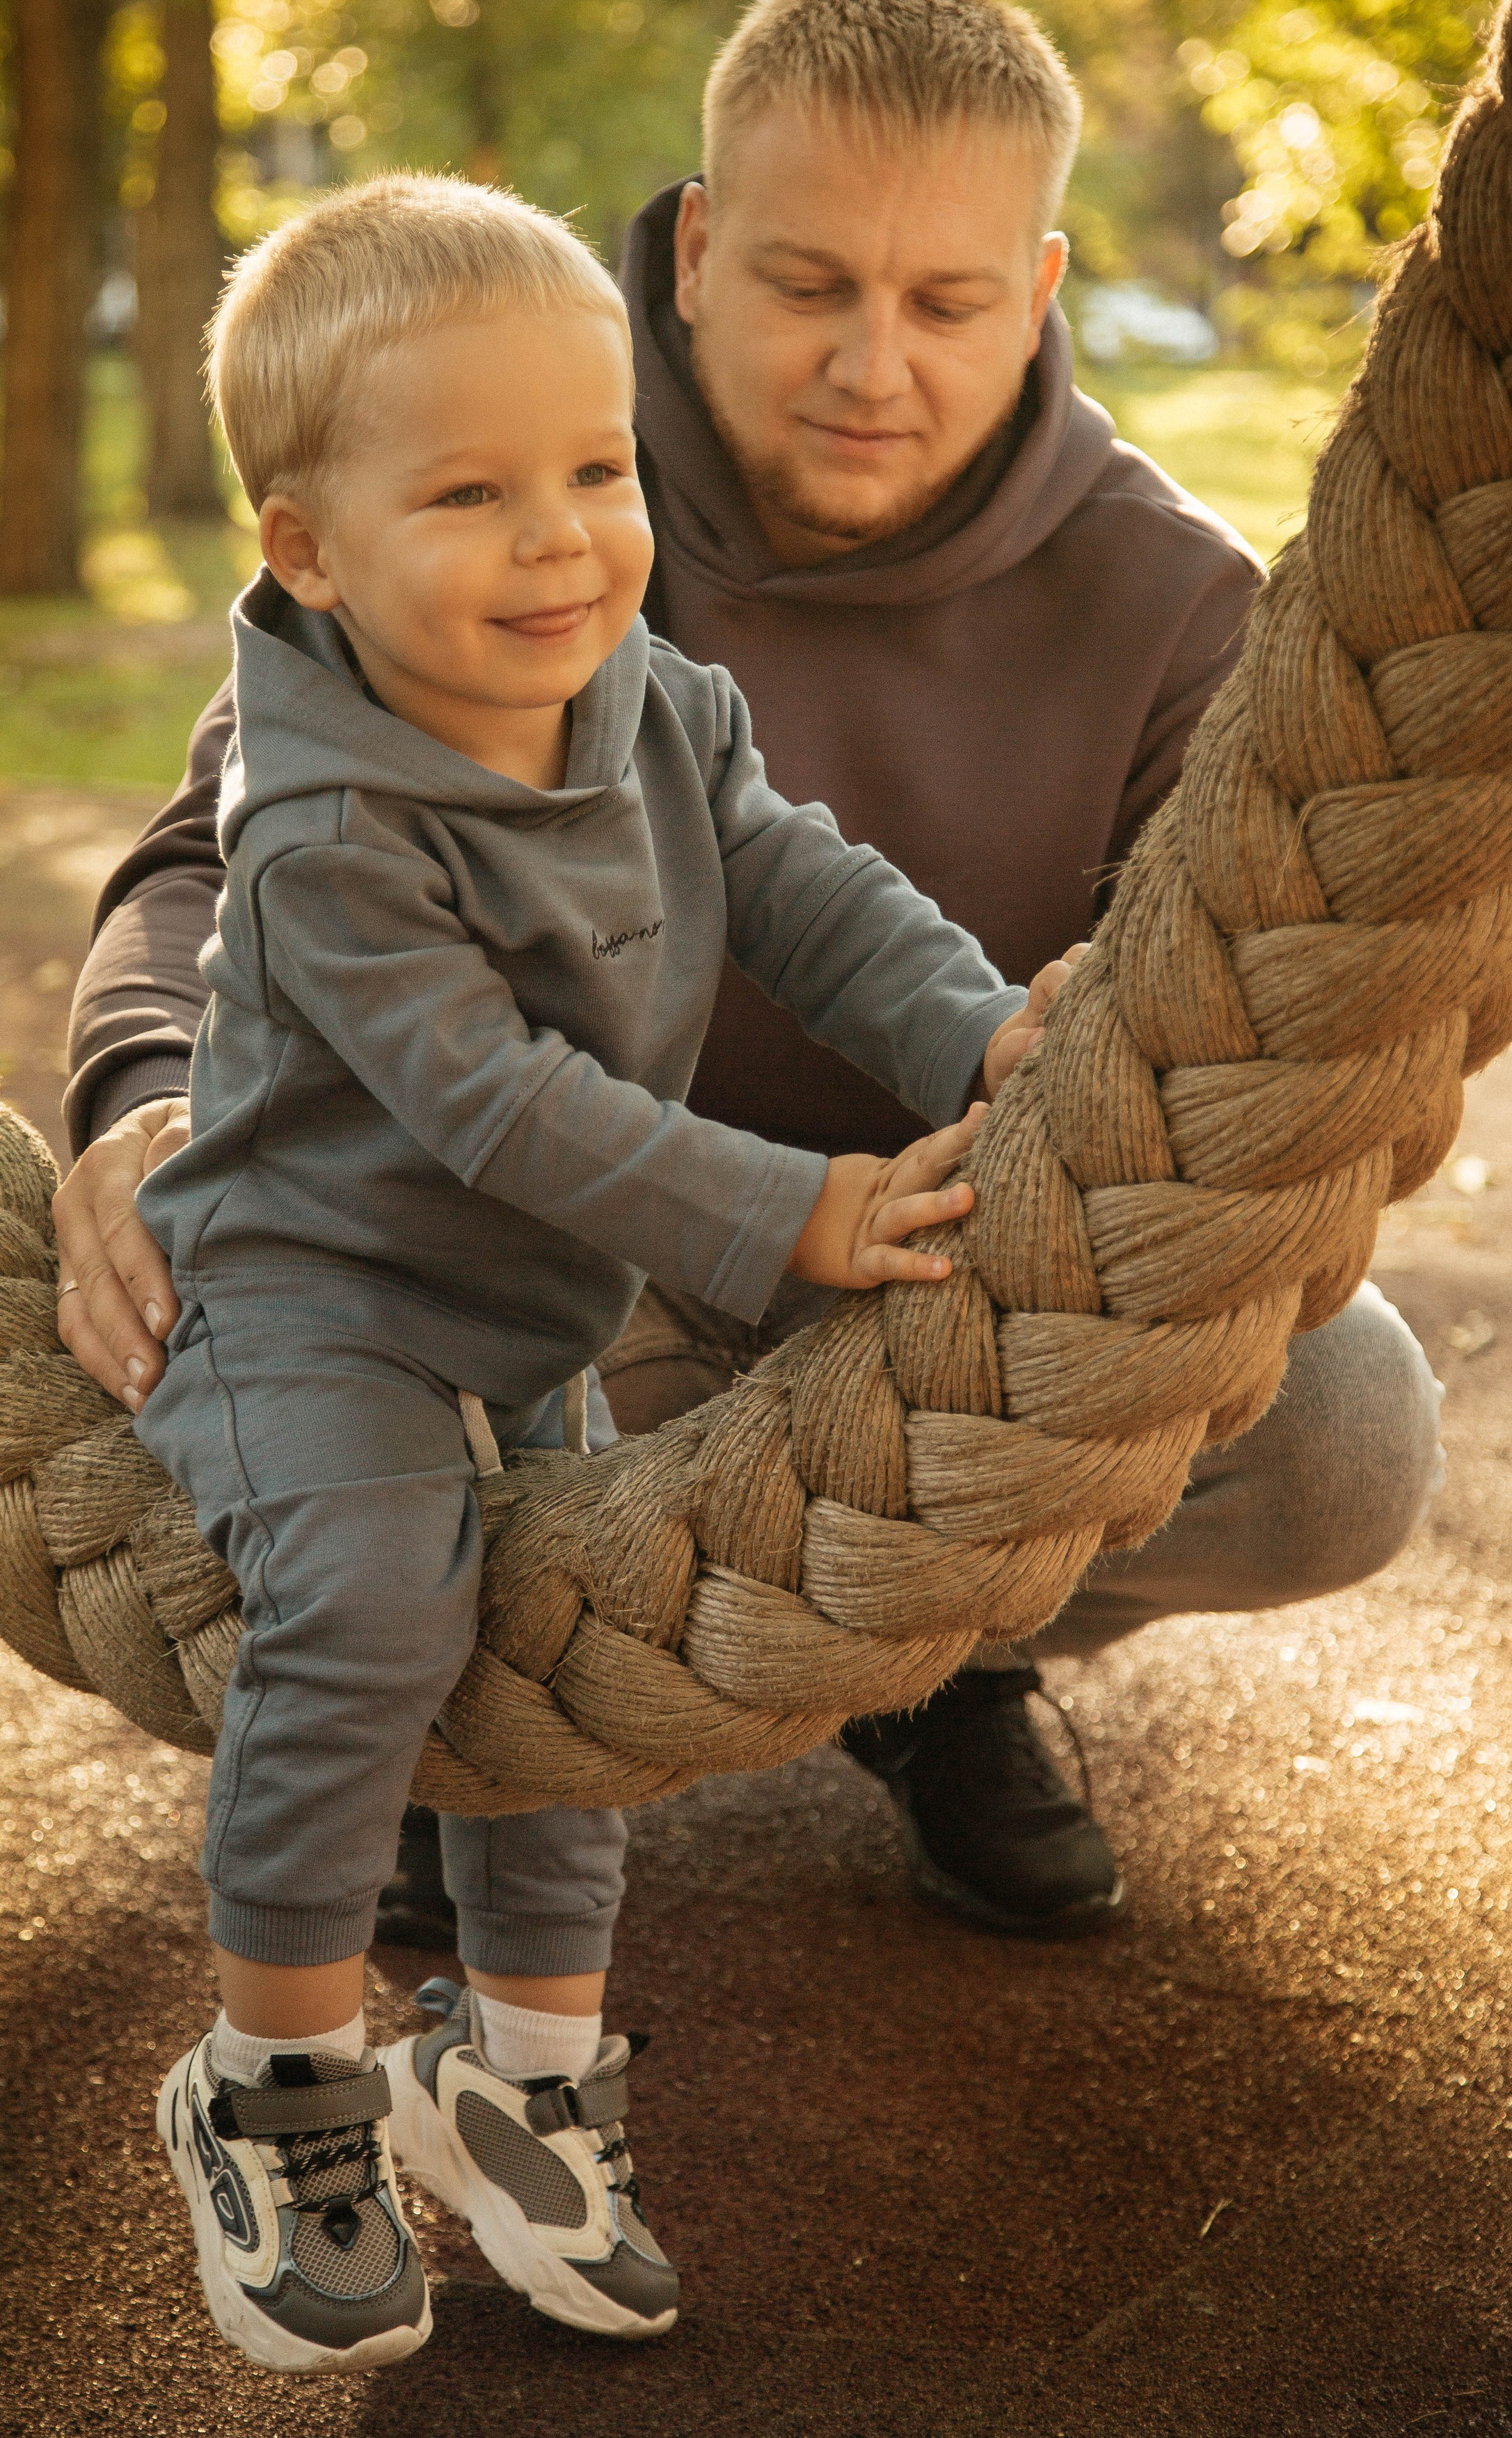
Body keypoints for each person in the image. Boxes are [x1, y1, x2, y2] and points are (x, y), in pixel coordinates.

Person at [55, 0, 1442, 1950]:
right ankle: (436, 1709)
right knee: (353, 1365)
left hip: (925, 1278)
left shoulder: (1173, 607)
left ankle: (936, 1661)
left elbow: (1199, 1035)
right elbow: (229, 843)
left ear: (1040, 291)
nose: (873, 364)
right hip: (547, 1254)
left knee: (1343, 1424)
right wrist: (139, 1096)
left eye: (946, 301)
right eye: (810, 284)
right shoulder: (501, 460)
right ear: (697, 254)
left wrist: (1075, 1055)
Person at [132, 170, 1074, 2373]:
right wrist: (794, 1210)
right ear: (309, 550)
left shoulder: (647, 702)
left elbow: (805, 890)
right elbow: (497, 1107)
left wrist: (979, 1030)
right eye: (472, 495)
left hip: (527, 1315)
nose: (562, 540)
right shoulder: (331, 827)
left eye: (596, 470)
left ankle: (522, 2079)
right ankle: (276, 2080)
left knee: (570, 1667)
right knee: (377, 1609)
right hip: (309, 1302)